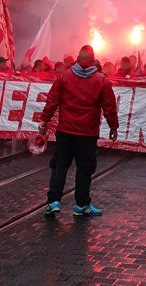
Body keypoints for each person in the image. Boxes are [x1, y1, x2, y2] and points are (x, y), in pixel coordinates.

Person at [39, 45, 118, 217]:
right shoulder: (101, 80)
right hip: (87, 133)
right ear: (93, 61)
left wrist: (44, 121)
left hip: (65, 131)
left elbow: (52, 101)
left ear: (77, 59)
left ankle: (53, 201)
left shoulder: (64, 77)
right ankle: (82, 204)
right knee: (85, 169)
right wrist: (113, 126)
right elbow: (110, 107)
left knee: (60, 165)